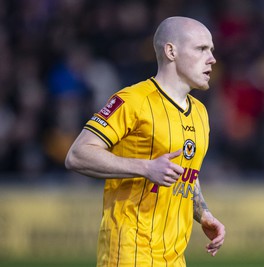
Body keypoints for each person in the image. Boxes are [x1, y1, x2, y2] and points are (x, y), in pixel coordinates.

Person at [65, 16, 225, 267]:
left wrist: (203, 213)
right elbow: (77, 155)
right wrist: (145, 167)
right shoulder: (133, 101)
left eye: (211, 50)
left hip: (174, 257)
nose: (212, 58)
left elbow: (185, 173)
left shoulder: (199, 112)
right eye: (201, 49)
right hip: (130, 253)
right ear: (171, 51)